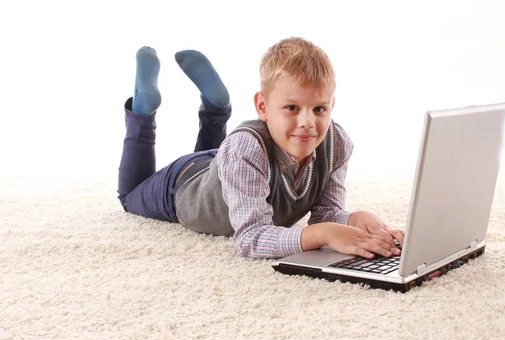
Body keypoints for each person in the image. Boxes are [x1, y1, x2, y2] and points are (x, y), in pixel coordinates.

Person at [118, 37, 404, 259]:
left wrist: (355, 218)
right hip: (183, 185)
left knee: (223, 164)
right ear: (262, 107)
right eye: (292, 107)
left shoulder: (337, 144)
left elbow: (327, 215)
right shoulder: (246, 149)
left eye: (319, 108)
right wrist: (322, 234)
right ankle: (143, 112)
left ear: (332, 106)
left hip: (224, 166)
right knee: (129, 196)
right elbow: (251, 237)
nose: (308, 122)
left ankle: (216, 107)